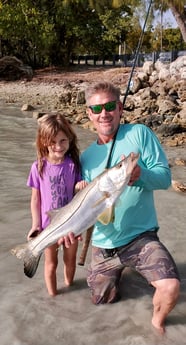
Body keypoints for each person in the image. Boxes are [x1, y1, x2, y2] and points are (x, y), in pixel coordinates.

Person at [58, 82, 180, 333]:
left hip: (140, 237)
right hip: (103, 244)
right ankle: (121, 274)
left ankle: (157, 325)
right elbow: (81, 205)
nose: (105, 113)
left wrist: (139, 174)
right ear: (89, 113)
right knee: (102, 303)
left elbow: (165, 179)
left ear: (120, 107)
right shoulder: (85, 158)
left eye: (110, 106)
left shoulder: (139, 134)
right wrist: (73, 228)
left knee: (170, 287)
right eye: (98, 108)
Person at [27, 112, 83, 296]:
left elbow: (78, 196)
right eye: (53, 142)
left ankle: (69, 287)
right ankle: (53, 297)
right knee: (51, 264)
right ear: (43, 141)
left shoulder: (74, 164)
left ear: (70, 140)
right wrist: (36, 225)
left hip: (71, 225)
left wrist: (79, 187)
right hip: (48, 227)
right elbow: (36, 199)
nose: (58, 146)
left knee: (70, 259)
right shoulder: (38, 166)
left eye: (63, 141)